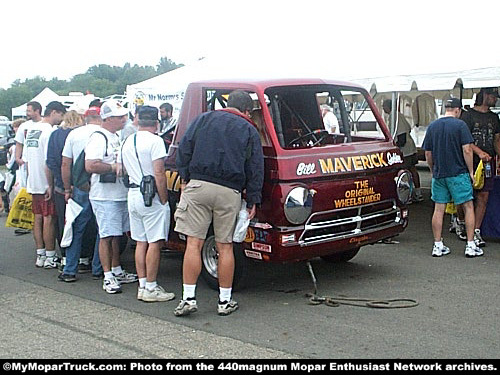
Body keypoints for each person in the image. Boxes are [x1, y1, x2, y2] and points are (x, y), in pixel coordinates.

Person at [174, 90, 264, 316]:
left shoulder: (203, 119)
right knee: (225, 247)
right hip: (229, 191)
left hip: (199, 185)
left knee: (193, 244)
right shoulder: (249, 129)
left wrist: (185, 178)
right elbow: (255, 168)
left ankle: (188, 299)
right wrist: (253, 198)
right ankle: (224, 302)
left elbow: (183, 149)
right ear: (247, 111)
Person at [120, 105, 174, 302]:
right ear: (156, 122)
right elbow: (159, 172)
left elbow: (123, 170)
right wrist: (164, 198)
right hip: (150, 194)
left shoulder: (127, 140)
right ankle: (151, 286)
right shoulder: (156, 141)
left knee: (141, 241)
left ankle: (143, 284)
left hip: (133, 192)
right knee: (154, 241)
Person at [85, 100, 137, 293]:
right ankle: (107, 276)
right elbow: (90, 165)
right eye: (120, 116)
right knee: (106, 235)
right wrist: (113, 167)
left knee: (116, 235)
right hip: (104, 196)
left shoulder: (115, 136)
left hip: (118, 194)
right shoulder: (99, 137)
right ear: (109, 118)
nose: (124, 119)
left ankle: (116, 269)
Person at [422, 98, 482, 258]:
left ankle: (437, 244)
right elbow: (467, 150)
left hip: (440, 174)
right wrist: (470, 171)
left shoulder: (433, 126)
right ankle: (470, 245)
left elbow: (428, 153)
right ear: (458, 110)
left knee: (438, 209)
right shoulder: (460, 125)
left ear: (445, 108)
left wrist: (432, 169)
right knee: (468, 207)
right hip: (458, 173)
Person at [60, 106, 103, 282]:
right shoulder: (106, 133)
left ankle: (70, 269)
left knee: (76, 227)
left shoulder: (74, 134)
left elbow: (65, 164)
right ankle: (99, 268)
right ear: (101, 117)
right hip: (102, 186)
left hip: (80, 186)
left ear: (85, 118)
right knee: (103, 229)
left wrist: (67, 189)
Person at [24, 101, 66, 268]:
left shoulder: (32, 129)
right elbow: (49, 160)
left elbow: (27, 158)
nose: (61, 119)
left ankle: (40, 253)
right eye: (61, 115)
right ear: (54, 112)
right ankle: (49, 255)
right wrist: (50, 184)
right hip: (44, 180)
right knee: (49, 217)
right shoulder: (49, 131)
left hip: (33, 179)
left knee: (38, 216)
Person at [457, 87, 500, 248]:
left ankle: (476, 231)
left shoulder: (494, 117)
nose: (495, 99)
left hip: (488, 162)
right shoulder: (467, 116)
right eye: (493, 96)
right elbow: (464, 141)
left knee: (483, 197)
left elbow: (497, 139)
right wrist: (479, 152)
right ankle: (461, 221)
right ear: (485, 96)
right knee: (465, 196)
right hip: (469, 161)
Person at [46, 110, 87, 276]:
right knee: (85, 223)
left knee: (65, 223)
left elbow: (50, 162)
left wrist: (59, 183)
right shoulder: (83, 135)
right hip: (81, 185)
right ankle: (84, 257)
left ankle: (65, 257)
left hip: (60, 186)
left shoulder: (56, 135)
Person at [382, 99, 423, 202]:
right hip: (410, 146)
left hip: (405, 148)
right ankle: (418, 193)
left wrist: (396, 148)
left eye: (383, 106)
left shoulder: (394, 116)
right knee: (412, 170)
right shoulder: (398, 115)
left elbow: (401, 136)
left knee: (405, 172)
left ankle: (408, 195)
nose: (382, 108)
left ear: (388, 107)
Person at [15, 101, 42, 187]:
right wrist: (17, 158)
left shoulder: (45, 125)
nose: (27, 113)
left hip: (39, 162)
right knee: (26, 188)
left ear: (37, 111)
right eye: (27, 111)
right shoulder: (24, 126)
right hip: (25, 163)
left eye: (29, 111)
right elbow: (19, 143)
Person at [1, 119, 23, 212]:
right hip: (13, 169)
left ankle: (9, 207)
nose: (15, 130)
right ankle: (7, 206)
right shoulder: (13, 142)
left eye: (16, 128)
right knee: (8, 188)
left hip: (18, 168)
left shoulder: (19, 142)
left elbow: (14, 157)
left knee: (13, 188)